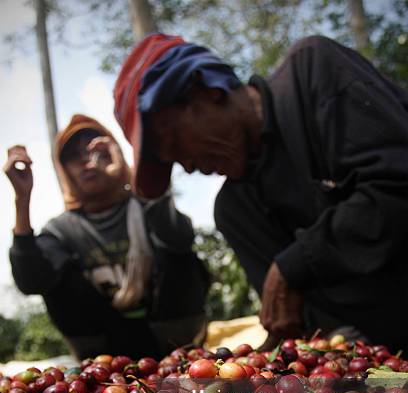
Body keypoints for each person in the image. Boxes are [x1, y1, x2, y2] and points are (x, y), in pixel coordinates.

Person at [112, 33, 408, 353]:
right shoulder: (236, 210)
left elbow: (396, 182)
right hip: (384, 367)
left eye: (174, 145)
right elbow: (302, 324)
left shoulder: (313, 71)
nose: (188, 166)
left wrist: (297, 262)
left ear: (206, 90)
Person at [4, 114, 208, 360]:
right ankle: (96, 363)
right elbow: (31, 281)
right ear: (64, 171)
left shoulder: (148, 206)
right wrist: (22, 200)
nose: (87, 162)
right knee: (57, 276)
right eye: (73, 156)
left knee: (178, 254)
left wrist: (135, 178)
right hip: (105, 352)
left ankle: (183, 350)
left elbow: (180, 237)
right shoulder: (61, 230)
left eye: (98, 152)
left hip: (169, 337)